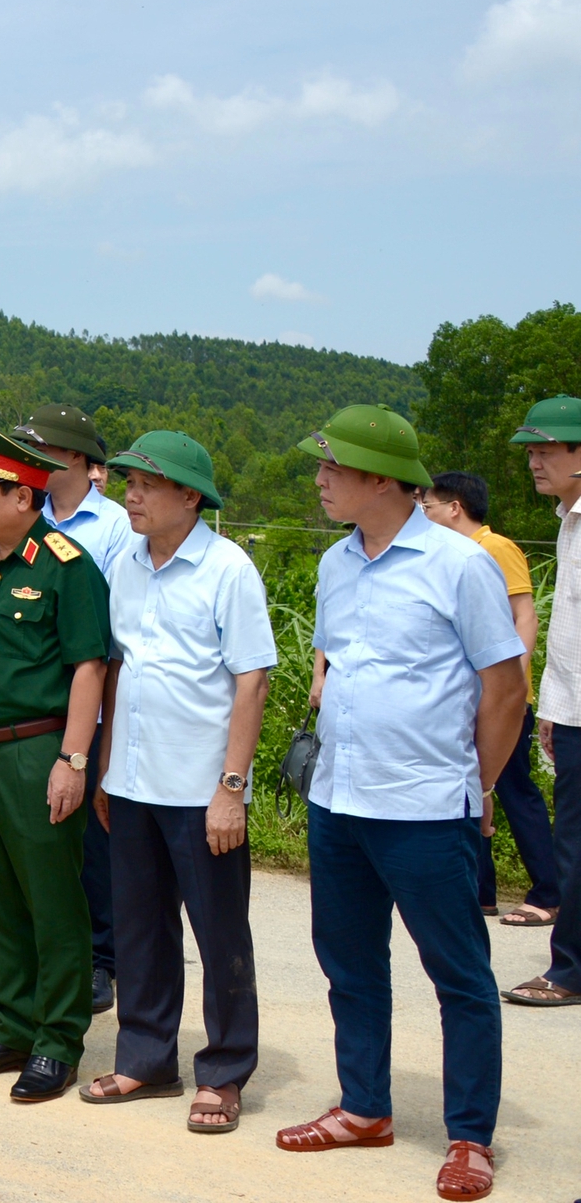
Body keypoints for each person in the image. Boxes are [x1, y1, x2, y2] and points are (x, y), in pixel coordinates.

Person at [275, 406, 524, 1203]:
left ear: (381, 477)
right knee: (349, 964)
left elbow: (505, 689)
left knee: (458, 974)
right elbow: (334, 669)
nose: (317, 481)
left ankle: (470, 1136)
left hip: (423, 807)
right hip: (340, 801)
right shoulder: (336, 565)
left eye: (331, 468)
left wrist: (473, 785)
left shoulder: (459, 565)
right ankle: (363, 1108)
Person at [82, 431, 274, 1134]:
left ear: (189, 496)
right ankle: (147, 1058)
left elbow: (251, 680)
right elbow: (119, 669)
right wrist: (105, 767)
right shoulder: (127, 563)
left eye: (146, 484)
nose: (129, 494)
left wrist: (232, 786)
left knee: (220, 929)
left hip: (200, 787)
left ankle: (223, 1071)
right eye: (126, 481)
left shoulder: (228, 569)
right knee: (139, 928)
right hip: (132, 778)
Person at [0, 417, 111, 1102]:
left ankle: (59, 1040)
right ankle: (12, 1025)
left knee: (52, 900)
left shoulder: (68, 567)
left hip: (37, 749)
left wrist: (73, 758)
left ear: (25, 497)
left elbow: (88, 668)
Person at [15, 401, 129, 1014]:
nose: (33, 464)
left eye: (45, 453)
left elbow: (103, 627)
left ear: (81, 461)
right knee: (40, 838)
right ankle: (46, 954)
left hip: (87, 694)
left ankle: (101, 960)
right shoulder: (24, 514)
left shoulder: (112, 525)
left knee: (91, 845)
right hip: (32, 701)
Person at [421, 470, 559, 925]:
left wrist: (514, 692)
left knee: (516, 791)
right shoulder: (447, 555)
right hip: (470, 697)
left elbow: (525, 618)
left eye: (431, 506)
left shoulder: (494, 547)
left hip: (501, 700)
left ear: (455, 507)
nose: (425, 514)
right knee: (477, 791)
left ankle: (547, 891)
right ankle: (483, 891)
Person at [502, 394, 581, 1010]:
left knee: (575, 843)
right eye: (530, 451)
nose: (534, 461)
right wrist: (553, 704)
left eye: (546, 450)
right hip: (574, 709)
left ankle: (570, 971)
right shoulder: (567, 515)